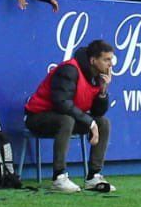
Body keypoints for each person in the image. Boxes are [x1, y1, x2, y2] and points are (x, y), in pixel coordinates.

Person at [23, 39, 116, 193]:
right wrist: (90, 123)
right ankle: (59, 177)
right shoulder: (70, 70)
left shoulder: (97, 77)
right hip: (37, 117)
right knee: (67, 120)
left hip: (66, 118)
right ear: (93, 60)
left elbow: (98, 113)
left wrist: (103, 91)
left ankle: (94, 177)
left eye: (111, 60)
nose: (110, 64)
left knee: (103, 123)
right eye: (106, 59)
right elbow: (61, 103)